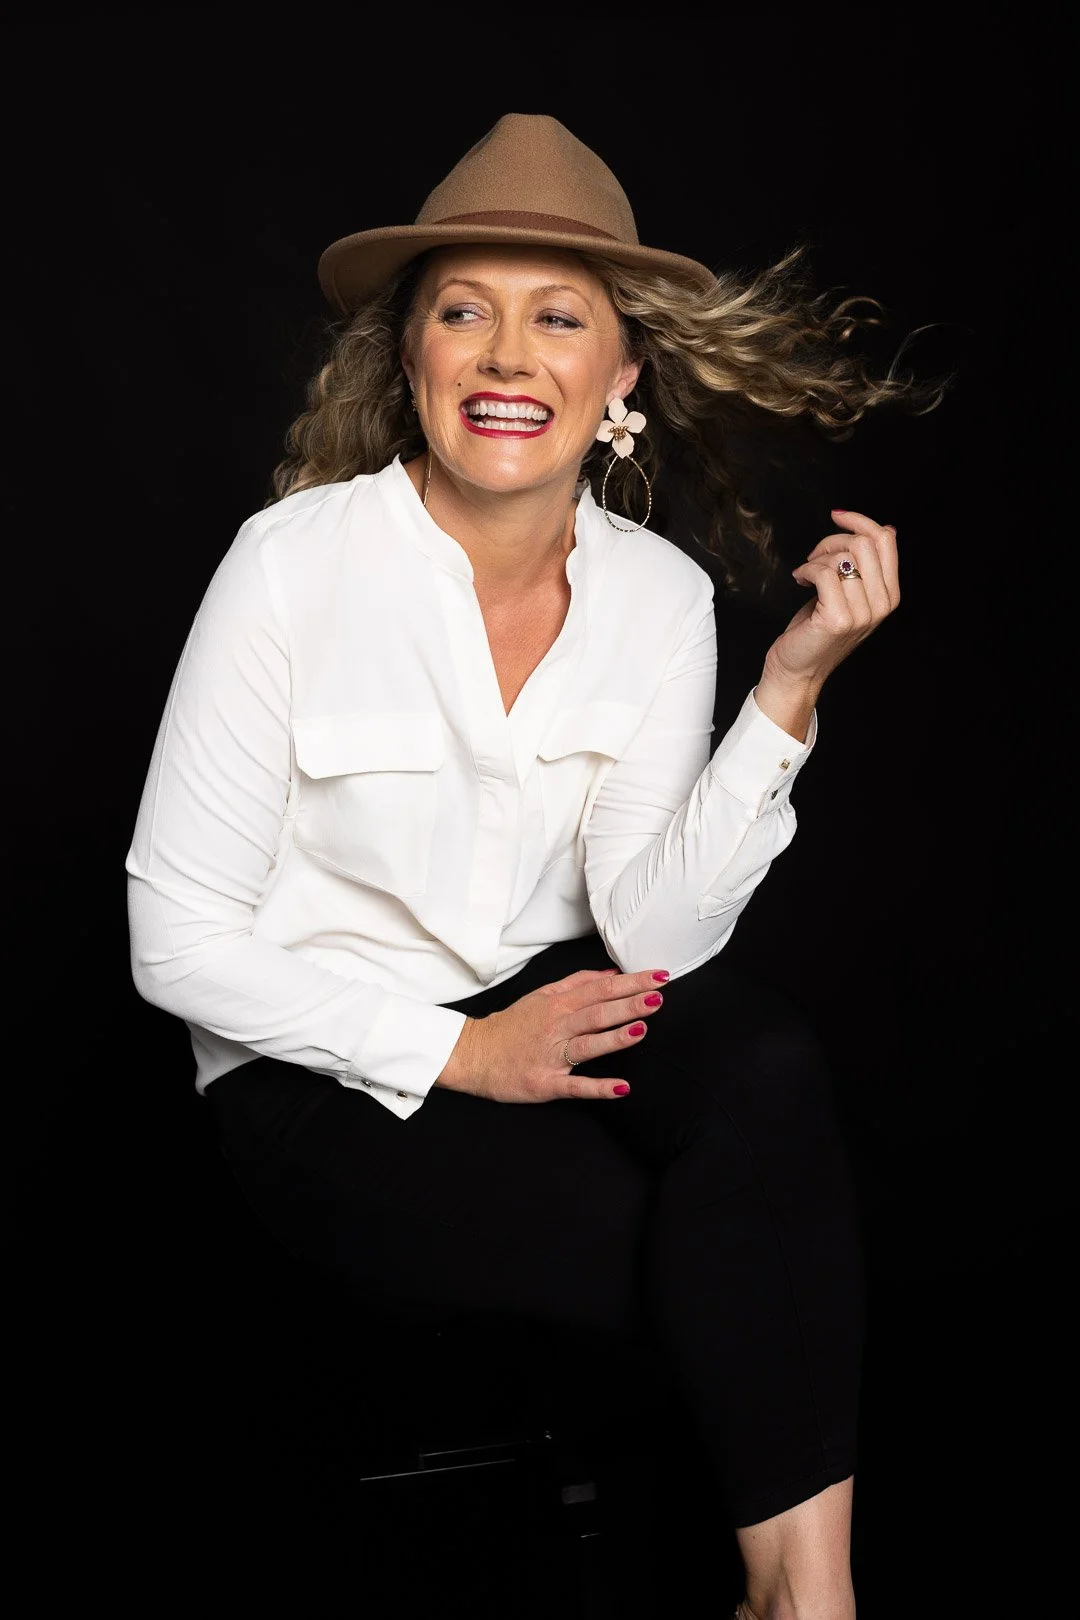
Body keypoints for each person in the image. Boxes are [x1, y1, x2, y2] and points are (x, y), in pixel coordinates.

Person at [126, 113, 944, 1619]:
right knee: (706, 1255)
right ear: (414, 358)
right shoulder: (290, 565)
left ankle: (806, 1606)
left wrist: (789, 696)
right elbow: (175, 944)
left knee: (758, 1057)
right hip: (317, 1070)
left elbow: (651, 931)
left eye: (559, 317)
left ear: (620, 373)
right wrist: (463, 1053)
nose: (509, 357)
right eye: (465, 312)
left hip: (545, 1013)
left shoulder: (661, 594)